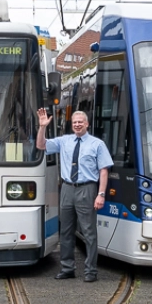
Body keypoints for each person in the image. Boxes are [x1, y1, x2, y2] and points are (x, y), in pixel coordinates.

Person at [35, 108, 113, 283]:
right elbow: (41, 145)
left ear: (87, 124)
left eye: (80, 122)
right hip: (67, 188)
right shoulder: (64, 141)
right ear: (72, 125)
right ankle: (67, 268)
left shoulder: (97, 144)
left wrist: (101, 194)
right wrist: (42, 127)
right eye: (75, 122)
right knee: (66, 230)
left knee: (89, 232)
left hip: (87, 189)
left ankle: (91, 271)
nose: (77, 125)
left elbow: (104, 171)